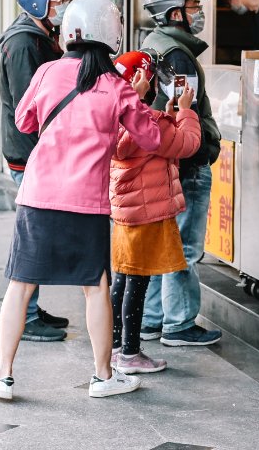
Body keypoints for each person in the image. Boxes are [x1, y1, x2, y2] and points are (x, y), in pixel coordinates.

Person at [0, 0, 161, 400]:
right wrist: (142, 95)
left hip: (38, 196)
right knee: (95, 287)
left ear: (70, 33)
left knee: (20, 285)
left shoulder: (46, 72)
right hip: (87, 204)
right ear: (112, 36)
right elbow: (150, 137)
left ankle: (3, 375)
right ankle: (102, 376)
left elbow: (24, 118)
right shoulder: (117, 85)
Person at [0, 0, 95, 343]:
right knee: (31, 235)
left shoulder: (42, 37)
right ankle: (26, 316)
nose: (63, 5)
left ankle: (31, 308)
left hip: (37, 152)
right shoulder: (24, 42)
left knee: (35, 234)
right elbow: (32, 106)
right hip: (29, 154)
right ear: (37, 1)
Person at [139, 0, 223, 347]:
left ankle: (152, 320)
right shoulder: (177, 54)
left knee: (165, 243)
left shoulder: (155, 44)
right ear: (176, 14)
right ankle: (179, 323)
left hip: (166, 163)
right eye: (194, 5)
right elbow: (179, 111)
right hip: (186, 165)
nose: (199, 11)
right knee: (184, 247)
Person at [109, 51, 201, 374]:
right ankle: (131, 353)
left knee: (122, 277)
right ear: (142, 80)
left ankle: (117, 346)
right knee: (138, 279)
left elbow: (147, 138)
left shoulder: (115, 118)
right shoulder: (150, 123)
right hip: (147, 214)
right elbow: (187, 144)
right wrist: (186, 112)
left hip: (126, 214)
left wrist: (162, 111)